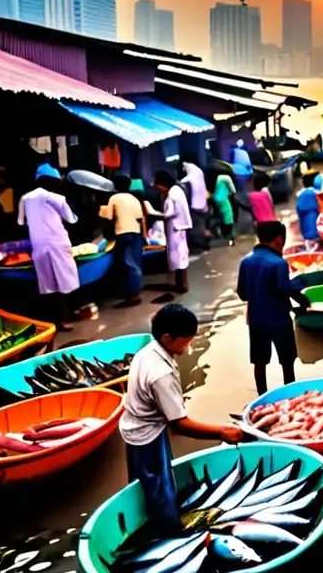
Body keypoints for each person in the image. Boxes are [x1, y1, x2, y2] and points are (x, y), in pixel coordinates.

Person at [119, 304, 243, 532]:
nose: (190, 345)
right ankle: (168, 533)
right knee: (160, 490)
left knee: (141, 486)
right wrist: (223, 432)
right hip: (148, 436)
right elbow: (181, 425)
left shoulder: (146, 352)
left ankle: (146, 522)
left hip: (132, 427)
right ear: (167, 337)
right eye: (186, 341)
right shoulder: (161, 373)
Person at [237, 221, 310, 395]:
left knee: (259, 361)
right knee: (287, 360)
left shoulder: (245, 261)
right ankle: (291, 396)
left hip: (256, 320)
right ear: (279, 240)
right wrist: (304, 299)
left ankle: (261, 396)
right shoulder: (279, 263)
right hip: (279, 320)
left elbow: (242, 294)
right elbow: (285, 289)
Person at [18, 164, 78, 330]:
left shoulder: (25, 199)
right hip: (58, 243)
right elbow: (72, 219)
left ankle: (53, 319)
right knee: (65, 283)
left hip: (38, 247)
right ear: (53, 181)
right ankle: (65, 318)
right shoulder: (57, 198)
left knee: (48, 285)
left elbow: (21, 222)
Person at [101, 174, 146, 307]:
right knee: (135, 262)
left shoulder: (114, 198)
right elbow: (140, 218)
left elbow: (108, 219)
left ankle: (133, 294)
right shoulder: (134, 199)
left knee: (127, 263)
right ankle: (134, 290)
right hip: (136, 233)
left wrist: (108, 235)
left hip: (122, 233)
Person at [154, 171, 192, 294]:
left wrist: (152, 212)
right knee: (181, 255)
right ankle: (181, 284)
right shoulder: (177, 190)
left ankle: (181, 285)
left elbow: (168, 214)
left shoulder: (172, 195)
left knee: (176, 257)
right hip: (180, 227)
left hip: (175, 229)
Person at [179, 160, 210, 251]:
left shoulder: (192, 176)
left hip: (195, 205)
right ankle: (204, 242)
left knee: (197, 225)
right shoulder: (199, 173)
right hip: (203, 204)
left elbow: (184, 181)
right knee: (202, 224)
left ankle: (201, 243)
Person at [295, 172, 322, 251]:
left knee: (310, 244)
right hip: (312, 230)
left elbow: (299, 207)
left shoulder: (304, 193)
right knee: (313, 247)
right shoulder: (311, 193)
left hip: (307, 231)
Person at [212, 171, 238, 244]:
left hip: (215, 198)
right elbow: (233, 190)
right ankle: (229, 236)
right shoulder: (226, 177)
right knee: (228, 216)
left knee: (219, 215)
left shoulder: (216, 177)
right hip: (223, 199)